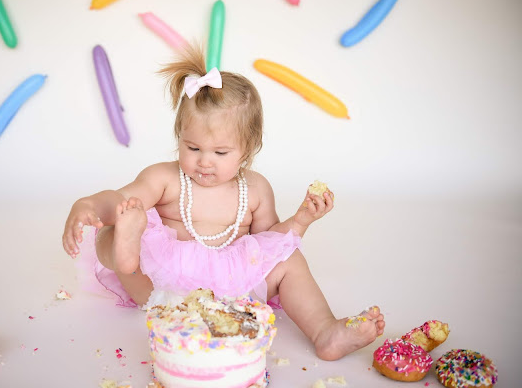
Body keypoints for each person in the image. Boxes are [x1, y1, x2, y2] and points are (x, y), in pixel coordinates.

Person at [62, 46, 384, 360]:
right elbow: (121, 199)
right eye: (192, 148)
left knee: (290, 261)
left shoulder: (255, 189)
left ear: (248, 148)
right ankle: (126, 255)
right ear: (179, 138)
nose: (204, 162)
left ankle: (325, 331)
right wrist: (89, 205)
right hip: (160, 287)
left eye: (220, 152)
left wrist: (300, 220)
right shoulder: (165, 178)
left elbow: (268, 242)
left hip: (233, 291)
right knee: (117, 225)